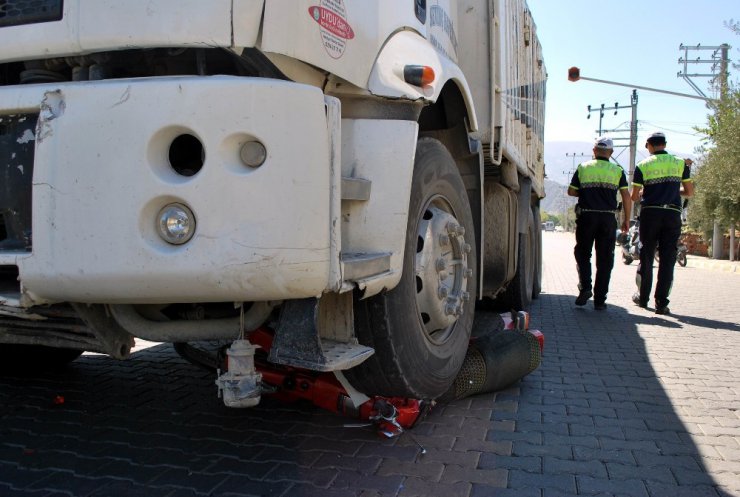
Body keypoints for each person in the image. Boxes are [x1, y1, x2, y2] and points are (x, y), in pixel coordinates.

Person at [630, 131, 694, 315]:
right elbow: (689, 192)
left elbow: (634, 196)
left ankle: (642, 298)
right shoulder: (680, 163)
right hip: (672, 214)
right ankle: (661, 303)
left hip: (650, 214)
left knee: (647, 256)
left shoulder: (642, 165)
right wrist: (674, 193)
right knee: (667, 259)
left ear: (649, 145)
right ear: (664, 144)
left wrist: (644, 193)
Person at [568, 137, 631, 310]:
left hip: (587, 217)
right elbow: (626, 196)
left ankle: (585, 287)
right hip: (608, 219)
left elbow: (571, 191)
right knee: (605, 259)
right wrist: (626, 219)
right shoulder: (617, 170)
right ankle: (600, 300)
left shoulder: (583, 168)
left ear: (594, 151)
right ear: (611, 153)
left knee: (582, 253)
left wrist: (587, 192)